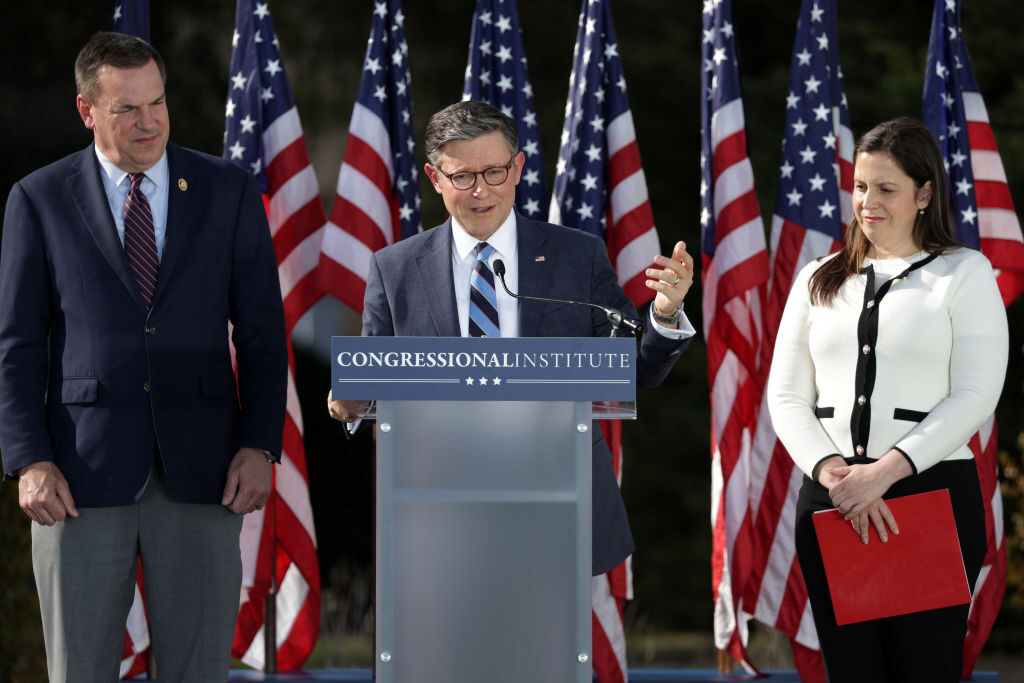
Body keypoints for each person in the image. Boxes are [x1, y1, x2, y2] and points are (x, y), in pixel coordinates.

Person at [0, 32, 288, 683]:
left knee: (199, 670)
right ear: (87, 110)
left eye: (157, 102)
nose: (148, 120)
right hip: (77, 475)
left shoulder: (227, 190)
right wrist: (29, 458)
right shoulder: (38, 199)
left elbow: (265, 332)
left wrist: (260, 444)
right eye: (127, 108)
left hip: (206, 468)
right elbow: (16, 344)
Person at [328, 100, 695, 575]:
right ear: (435, 178)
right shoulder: (394, 268)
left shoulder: (576, 256)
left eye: (495, 172)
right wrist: (352, 404)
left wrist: (664, 315)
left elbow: (634, 368)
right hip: (439, 509)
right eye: (462, 177)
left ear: (518, 168)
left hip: (558, 503)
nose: (481, 190)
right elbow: (373, 383)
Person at [766, 116, 1008, 682]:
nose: (867, 202)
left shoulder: (965, 274)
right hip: (833, 501)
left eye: (886, 188)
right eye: (859, 187)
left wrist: (885, 473)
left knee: (924, 669)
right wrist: (838, 477)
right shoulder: (817, 278)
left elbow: (975, 394)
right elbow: (785, 395)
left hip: (930, 498)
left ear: (925, 194)